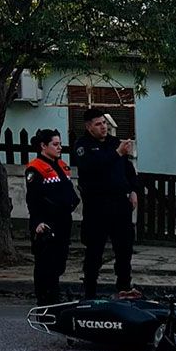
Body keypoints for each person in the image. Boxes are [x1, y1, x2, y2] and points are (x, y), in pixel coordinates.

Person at [73, 108, 139, 299]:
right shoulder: (83, 146)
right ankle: (90, 291)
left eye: (104, 123)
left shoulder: (114, 143)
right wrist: (117, 153)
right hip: (97, 205)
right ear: (89, 127)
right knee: (95, 250)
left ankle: (124, 287)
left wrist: (133, 190)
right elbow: (92, 167)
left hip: (120, 203)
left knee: (124, 249)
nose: (103, 127)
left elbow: (128, 170)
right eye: (98, 124)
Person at [25, 129, 80, 305]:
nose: (59, 148)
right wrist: (37, 222)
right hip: (47, 223)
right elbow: (33, 199)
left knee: (59, 262)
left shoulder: (62, 165)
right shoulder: (35, 168)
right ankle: (45, 300)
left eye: (60, 144)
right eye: (55, 144)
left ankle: (53, 296)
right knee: (45, 263)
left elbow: (68, 191)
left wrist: (72, 203)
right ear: (43, 146)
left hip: (63, 220)